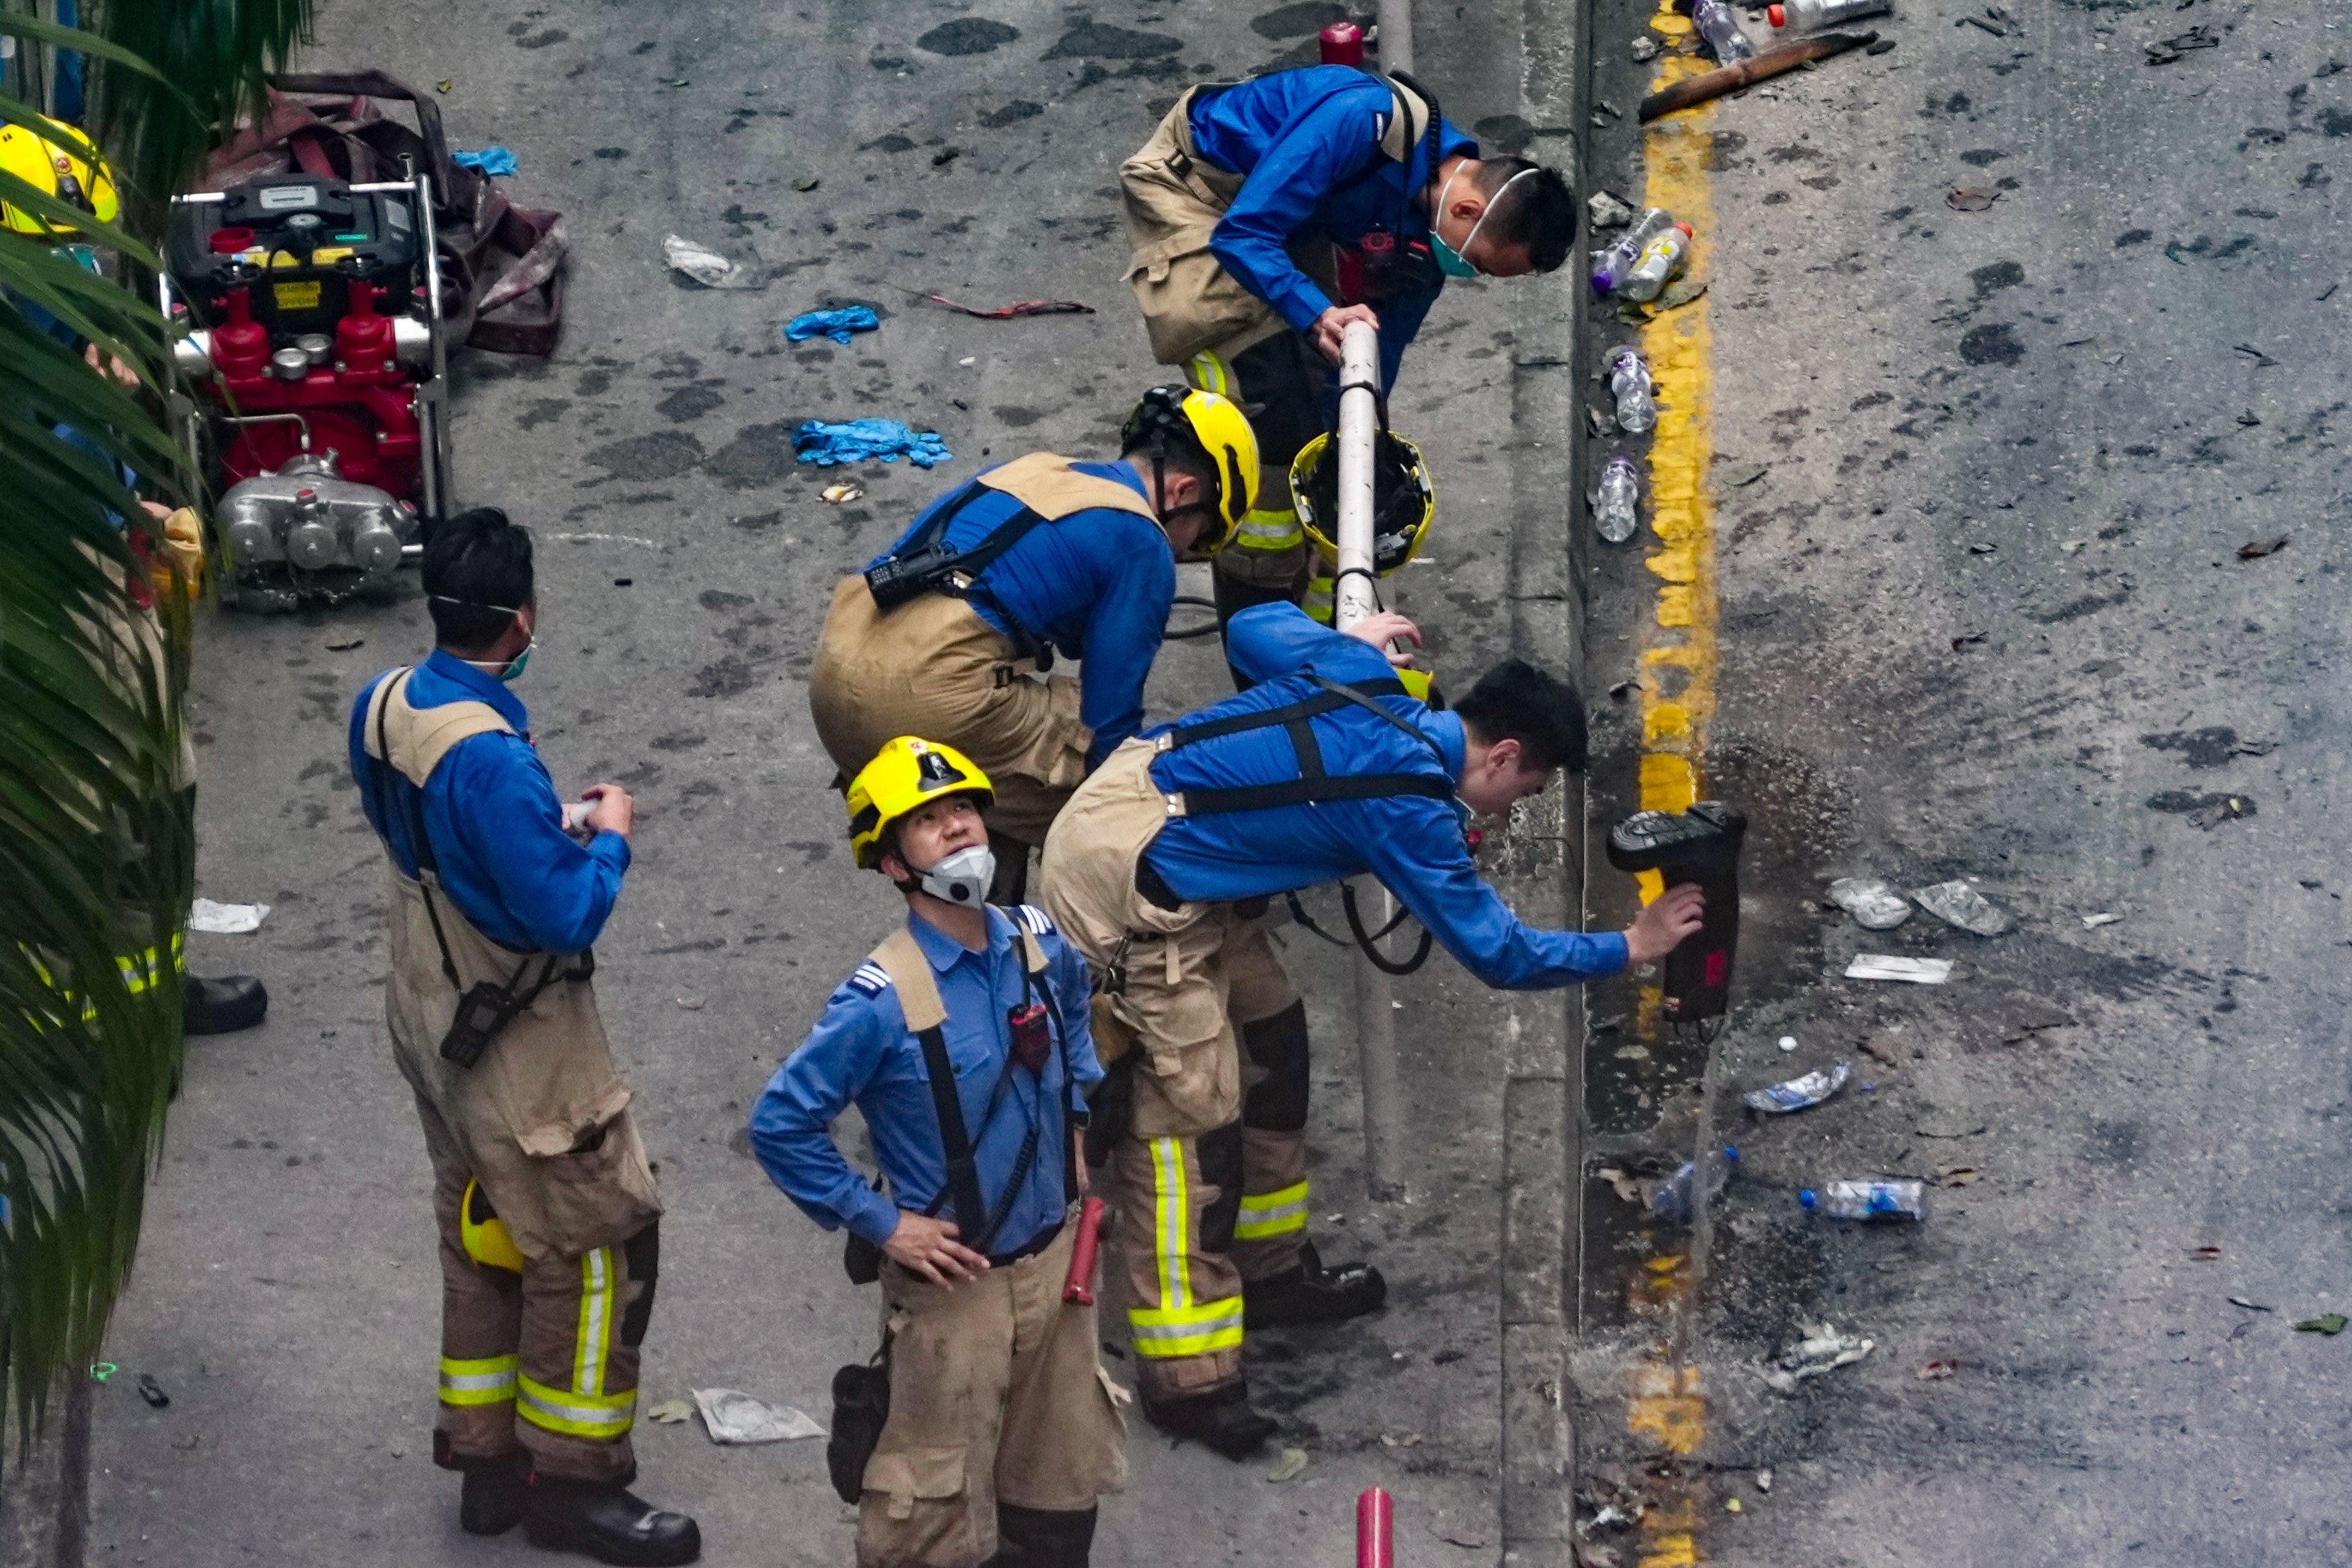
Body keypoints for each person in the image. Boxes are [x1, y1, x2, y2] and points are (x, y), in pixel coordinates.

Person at [1037, 602, 1704, 1457]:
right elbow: (1501, 953)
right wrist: (1631, 945)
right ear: (1502, 756)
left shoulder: (1365, 677)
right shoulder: (1409, 807)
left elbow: (1252, 627)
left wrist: (1342, 640)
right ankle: (1188, 1377)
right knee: (1188, 1130)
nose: (1511, 813)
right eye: (1524, 792)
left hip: (1162, 839)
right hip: (1123, 891)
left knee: (1274, 1039)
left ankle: (1270, 1272)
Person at [347, 508, 698, 1566]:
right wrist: (611, 840)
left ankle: (486, 1465)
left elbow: (443, 839)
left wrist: (550, 828)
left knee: (479, 1226)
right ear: (524, 616)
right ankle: (574, 1483)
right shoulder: (494, 760)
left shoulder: (385, 703)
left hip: (429, 1004)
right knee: (591, 1244)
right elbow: (565, 914)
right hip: (517, 1039)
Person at [749, 737, 1123, 1568]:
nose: (957, 827)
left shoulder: (1037, 942)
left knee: (1058, 1499)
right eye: (927, 821)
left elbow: (1073, 1013)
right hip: (957, 1298)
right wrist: (884, 1223)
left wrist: (1075, 1119)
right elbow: (780, 1124)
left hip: (1057, 1273)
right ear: (893, 865)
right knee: (930, 1518)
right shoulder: (878, 1002)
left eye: (963, 809)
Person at [1118, 65, 1578, 633]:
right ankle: (1252, 593)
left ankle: (1322, 611)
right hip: (1197, 190)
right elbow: (1243, 234)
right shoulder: (1359, 123)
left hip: (1280, 212)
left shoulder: (1433, 229)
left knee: (1321, 404)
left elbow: (1382, 348)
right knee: (1268, 404)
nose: (1467, 273)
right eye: (1477, 263)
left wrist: (1355, 444)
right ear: (1466, 210)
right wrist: (1316, 315)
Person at [4, 112, 266, 1035]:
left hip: (102, 569)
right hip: (56, 589)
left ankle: (146, 986)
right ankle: (90, 1016)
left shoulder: (53, 302)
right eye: (57, 247)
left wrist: (131, 505)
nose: (78, 262)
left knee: (156, 782)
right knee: (87, 802)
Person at [808, 386, 1259, 901]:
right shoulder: (1142, 541)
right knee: (1116, 780)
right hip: (926, 692)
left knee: (1012, 768)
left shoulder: (1034, 471)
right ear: (1182, 492)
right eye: (1198, 535)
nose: (1184, 552)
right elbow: (1110, 716)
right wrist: (1122, 807)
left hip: (837, 672)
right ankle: (1132, 925)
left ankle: (990, 916)